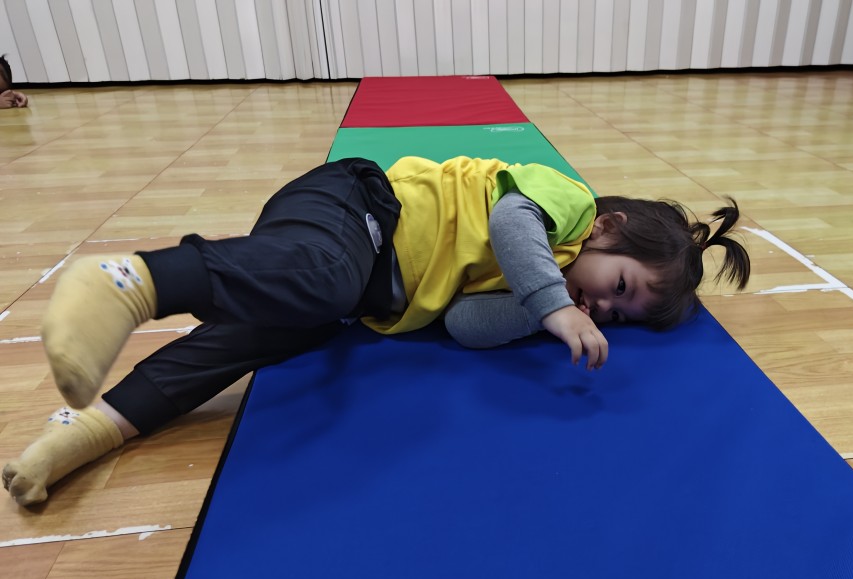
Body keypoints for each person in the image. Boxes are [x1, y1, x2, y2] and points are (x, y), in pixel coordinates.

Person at [2, 155, 749, 506]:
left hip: (355, 287)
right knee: (324, 277)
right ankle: (132, 281)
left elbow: (465, 325)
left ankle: (89, 429)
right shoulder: (569, 206)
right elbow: (510, 221)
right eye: (618, 288)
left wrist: (537, 315)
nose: (604, 310)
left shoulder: (542, 293)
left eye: (619, 316)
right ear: (609, 229)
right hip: (356, 206)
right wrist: (554, 303)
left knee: (259, 336)